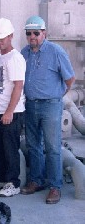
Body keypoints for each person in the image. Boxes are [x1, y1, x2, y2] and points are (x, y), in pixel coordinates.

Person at [20, 16, 75, 204]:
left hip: (51, 105)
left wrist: (56, 95)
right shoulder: (24, 53)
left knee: (52, 147)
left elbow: (69, 79)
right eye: (29, 33)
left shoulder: (56, 51)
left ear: (44, 33)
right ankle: (36, 180)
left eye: (36, 33)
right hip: (30, 104)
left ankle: (55, 186)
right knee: (33, 145)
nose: (32, 36)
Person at [0, 18, 26, 197]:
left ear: (11, 36)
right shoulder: (1, 55)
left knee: (10, 149)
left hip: (12, 112)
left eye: (2, 39)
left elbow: (18, 86)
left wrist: (9, 111)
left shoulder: (15, 58)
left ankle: (13, 183)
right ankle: (1, 178)